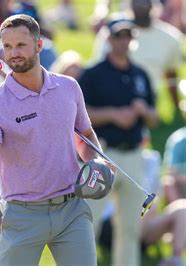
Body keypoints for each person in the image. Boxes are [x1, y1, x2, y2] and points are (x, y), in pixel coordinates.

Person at [0, 14, 107, 266]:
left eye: (21, 45)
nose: (13, 53)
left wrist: (96, 162)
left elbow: (85, 135)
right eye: (7, 46)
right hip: (22, 214)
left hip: (71, 209)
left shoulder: (69, 87)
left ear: (39, 46)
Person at [79, 18, 158, 266]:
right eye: (118, 36)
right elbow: (79, 115)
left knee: (130, 227)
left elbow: (155, 119)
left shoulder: (140, 74)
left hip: (135, 154)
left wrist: (143, 110)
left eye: (127, 36)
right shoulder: (93, 74)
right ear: (109, 39)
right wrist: (113, 114)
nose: (123, 41)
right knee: (88, 223)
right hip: (102, 154)